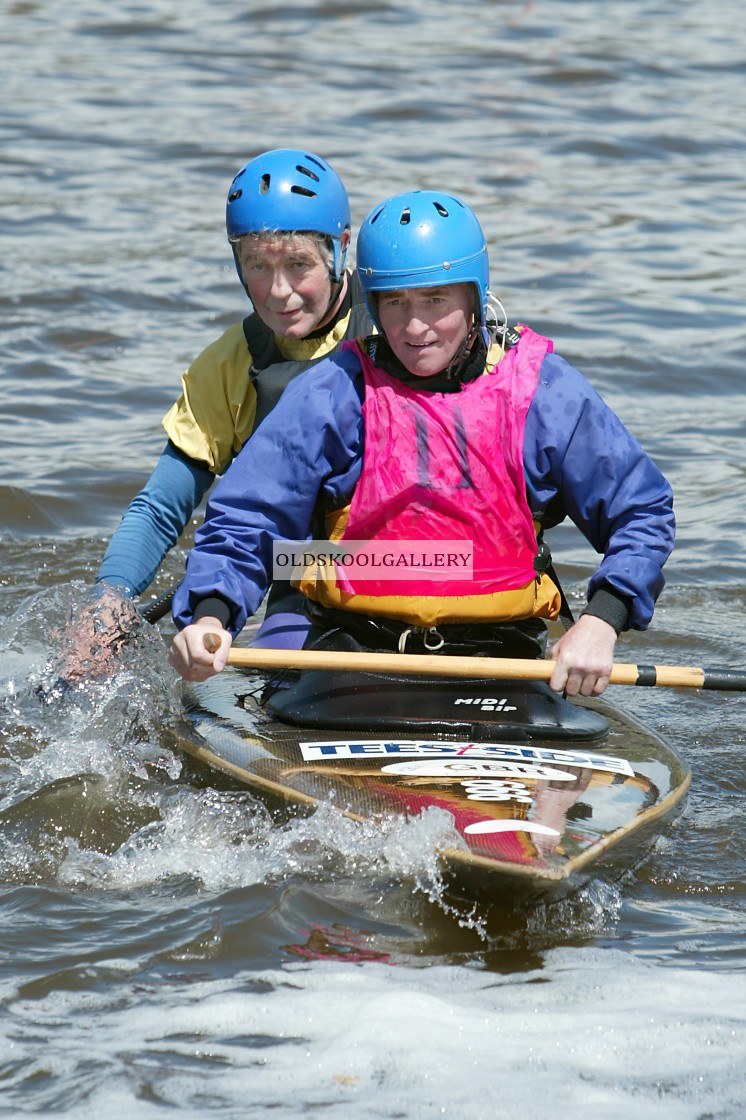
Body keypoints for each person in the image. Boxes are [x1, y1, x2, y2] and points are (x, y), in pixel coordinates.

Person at [169, 189, 675, 698]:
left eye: (435, 300)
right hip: (349, 653)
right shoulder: (333, 393)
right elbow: (249, 518)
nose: (414, 327)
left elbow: (641, 512)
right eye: (395, 302)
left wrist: (601, 621)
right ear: (373, 301)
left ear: (474, 296)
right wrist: (212, 617)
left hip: (503, 660)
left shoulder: (545, 392)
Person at [95, 148, 372, 649]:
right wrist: (106, 608)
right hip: (303, 576)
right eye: (258, 266)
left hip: (425, 562)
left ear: (342, 249)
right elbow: (160, 507)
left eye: (298, 264)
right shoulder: (227, 365)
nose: (279, 292)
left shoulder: (405, 331)